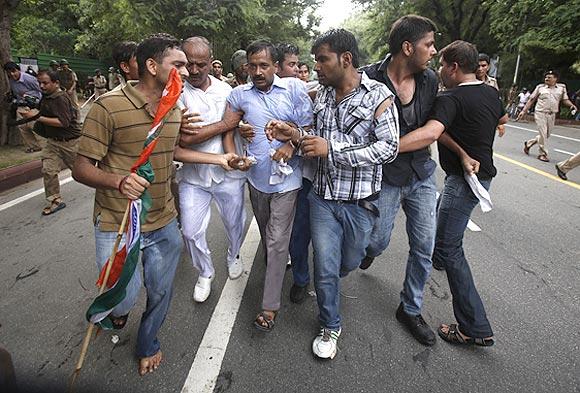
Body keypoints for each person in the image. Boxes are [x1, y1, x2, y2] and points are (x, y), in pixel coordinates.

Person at [266, 29, 399, 359]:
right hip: (323, 199)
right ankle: (330, 324)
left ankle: (338, 276)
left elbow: (389, 147)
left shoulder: (378, 95)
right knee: (324, 267)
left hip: (361, 204)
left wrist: (333, 150)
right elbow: (315, 136)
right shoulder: (322, 94)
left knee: (347, 261)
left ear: (346, 59)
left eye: (322, 60)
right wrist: (295, 134)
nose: (317, 68)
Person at [71, 33, 189, 376]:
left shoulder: (175, 107)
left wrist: (221, 159)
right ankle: (118, 309)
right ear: (151, 66)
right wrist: (119, 181)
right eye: (177, 65)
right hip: (116, 220)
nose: (185, 71)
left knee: (162, 290)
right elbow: (81, 169)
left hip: (165, 220)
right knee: (122, 294)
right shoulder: (108, 106)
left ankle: (148, 342)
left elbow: (173, 152)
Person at [180, 39, 312, 332]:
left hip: (288, 180)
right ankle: (274, 266)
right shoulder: (239, 94)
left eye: (264, 65)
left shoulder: (294, 89)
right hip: (255, 180)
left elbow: (309, 129)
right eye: (252, 66)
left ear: (275, 66)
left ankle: (269, 305)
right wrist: (235, 153)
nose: (257, 71)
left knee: (278, 240)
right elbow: (228, 126)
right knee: (269, 237)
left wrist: (291, 144)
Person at [397, 40, 508, 347]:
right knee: (439, 240)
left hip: (464, 181)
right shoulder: (490, 93)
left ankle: (474, 326)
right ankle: (434, 256)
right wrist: (465, 145)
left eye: (443, 65)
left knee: (449, 248)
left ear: (454, 67)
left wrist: (386, 147)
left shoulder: (451, 98)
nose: (440, 70)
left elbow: (433, 132)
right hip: (481, 178)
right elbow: (501, 120)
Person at [359, 14, 440, 346]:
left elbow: (433, 128)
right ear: (408, 47)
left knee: (424, 247)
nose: (434, 51)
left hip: (421, 174)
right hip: (384, 179)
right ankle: (367, 251)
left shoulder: (430, 80)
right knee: (377, 241)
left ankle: (410, 308)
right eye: (429, 44)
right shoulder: (367, 78)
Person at [176, 36, 247, 302]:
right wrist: (223, 124)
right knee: (190, 231)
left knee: (235, 222)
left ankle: (234, 254)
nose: (194, 71)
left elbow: (236, 126)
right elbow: (184, 140)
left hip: (228, 173)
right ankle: (205, 271)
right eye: (189, 64)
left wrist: (239, 129)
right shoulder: (175, 93)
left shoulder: (228, 92)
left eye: (201, 64)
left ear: (211, 60)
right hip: (193, 177)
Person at [19, 70, 80, 215]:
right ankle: (55, 200)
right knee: (48, 170)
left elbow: (63, 122)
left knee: (82, 172)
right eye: (40, 83)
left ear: (56, 83)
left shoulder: (60, 98)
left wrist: (36, 117)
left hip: (70, 142)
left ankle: (107, 189)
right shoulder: (47, 97)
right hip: (52, 142)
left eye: (45, 83)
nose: (41, 86)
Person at [519, 70, 578, 162]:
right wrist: (524, 111)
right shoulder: (540, 87)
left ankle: (529, 143)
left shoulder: (561, 88)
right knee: (543, 133)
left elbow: (565, 99)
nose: (547, 79)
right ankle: (543, 154)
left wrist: (571, 105)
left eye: (549, 77)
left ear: (555, 79)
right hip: (540, 113)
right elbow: (531, 99)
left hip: (552, 114)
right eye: (546, 77)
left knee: (546, 135)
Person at [3, 61, 43, 152]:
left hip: (32, 106)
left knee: (34, 126)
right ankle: (35, 146)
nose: (12, 74)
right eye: (9, 72)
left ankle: (47, 145)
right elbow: (16, 93)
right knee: (22, 127)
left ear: (18, 70)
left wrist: (39, 104)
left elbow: (41, 90)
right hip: (20, 105)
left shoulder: (29, 79)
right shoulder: (11, 81)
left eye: (14, 71)